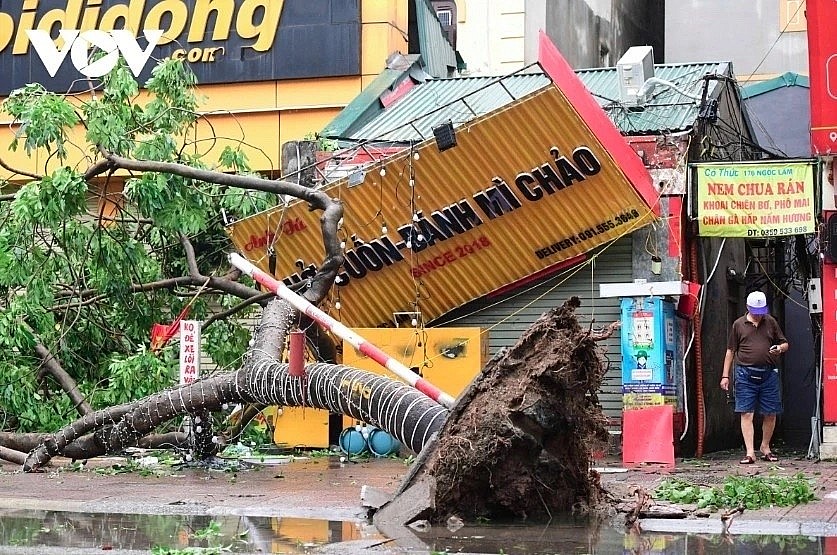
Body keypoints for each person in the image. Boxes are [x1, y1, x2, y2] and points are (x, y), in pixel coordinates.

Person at [720, 290, 789, 465]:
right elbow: (730, 351)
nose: (758, 315)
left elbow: (785, 343)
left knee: (771, 412)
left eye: (761, 312)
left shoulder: (770, 321)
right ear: (748, 308)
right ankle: (750, 452)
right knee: (746, 412)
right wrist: (725, 376)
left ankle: (765, 447)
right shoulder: (738, 324)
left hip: (768, 373)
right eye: (755, 312)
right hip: (744, 373)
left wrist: (779, 349)